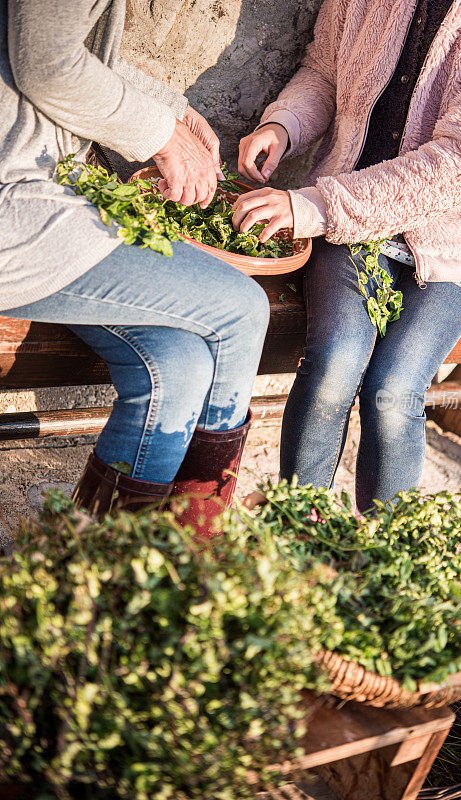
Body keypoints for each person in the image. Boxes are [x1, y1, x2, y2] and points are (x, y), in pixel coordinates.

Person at [234, 0, 461, 511]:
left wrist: (315, 206)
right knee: (333, 364)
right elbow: (325, 69)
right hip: (356, 230)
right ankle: (295, 532)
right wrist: (283, 125)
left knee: (393, 393)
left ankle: (383, 552)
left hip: (454, 241)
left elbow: (460, 164)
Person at [0, 0, 270, 534]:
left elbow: (48, 42)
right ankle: (200, 551)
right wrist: (163, 137)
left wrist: (170, 109)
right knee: (241, 310)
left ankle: (104, 570)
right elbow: (46, 62)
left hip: (33, 188)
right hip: (15, 201)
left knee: (181, 364)